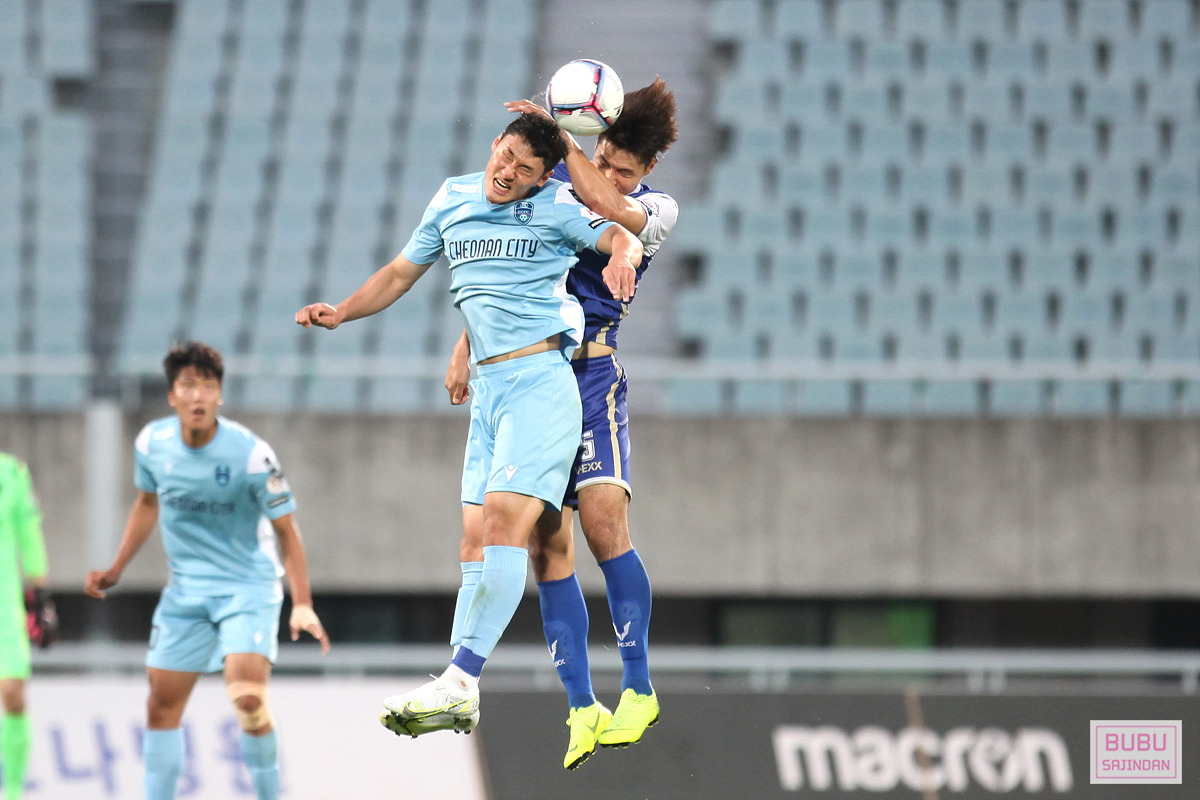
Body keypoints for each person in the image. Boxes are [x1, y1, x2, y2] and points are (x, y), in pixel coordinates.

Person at [294, 112, 643, 738]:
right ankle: (459, 688)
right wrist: (342, 312)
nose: (508, 173)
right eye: (506, 156)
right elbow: (400, 272)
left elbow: (622, 235)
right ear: (495, 144)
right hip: (488, 391)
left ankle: (461, 679)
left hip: (540, 386)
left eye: (526, 169)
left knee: (507, 528)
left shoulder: (555, 207)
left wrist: (622, 253)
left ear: (543, 178)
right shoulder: (452, 198)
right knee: (475, 542)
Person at [445, 80, 678, 769]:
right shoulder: (553, 195)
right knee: (548, 549)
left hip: (591, 376)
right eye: (602, 159)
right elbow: (503, 278)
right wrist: (465, 346)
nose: (608, 175)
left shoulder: (653, 209)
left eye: (623, 170)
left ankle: (638, 687)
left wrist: (564, 142)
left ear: (648, 171)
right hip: (527, 380)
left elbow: (614, 215)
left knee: (605, 527)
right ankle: (581, 706)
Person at [85, 342, 330, 800]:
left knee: (248, 698)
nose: (198, 396)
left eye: (208, 386)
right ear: (171, 395)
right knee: (161, 707)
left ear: (220, 395)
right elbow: (147, 503)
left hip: (247, 588)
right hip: (186, 594)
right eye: (187, 386)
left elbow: (287, 531)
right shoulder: (151, 445)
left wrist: (301, 603)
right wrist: (117, 568)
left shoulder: (252, 455)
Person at [0, 442, 56, 800]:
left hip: (4, 607)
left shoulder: (12, 473)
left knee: (13, 692)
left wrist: (41, 599)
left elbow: (29, 534)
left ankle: (13, 792)